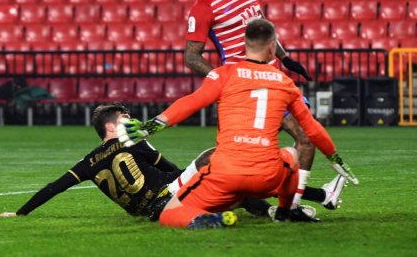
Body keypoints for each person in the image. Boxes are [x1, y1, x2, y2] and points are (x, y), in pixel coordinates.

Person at [124, 19, 357, 229]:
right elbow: (312, 129)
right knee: (292, 156)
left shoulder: (224, 74)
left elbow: (191, 102)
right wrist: (334, 158)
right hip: (266, 177)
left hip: (226, 174)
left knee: (169, 213)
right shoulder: (286, 83)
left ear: (245, 45)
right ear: (272, 47)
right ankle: (286, 212)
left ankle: (206, 220)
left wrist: (151, 126)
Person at [0, 102, 344, 221]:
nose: (130, 119)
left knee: (223, 179)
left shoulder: (89, 161)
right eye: (125, 116)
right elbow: (172, 170)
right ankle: (303, 201)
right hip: (167, 195)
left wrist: (21, 212)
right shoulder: (135, 143)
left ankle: (287, 207)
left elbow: (55, 187)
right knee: (218, 160)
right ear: (112, 125)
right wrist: (198, 175)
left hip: (147, 210)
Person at [183, 0, 324, 211]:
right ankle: (182, 184)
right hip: (245, 91)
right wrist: (222, 78)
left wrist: (285, 58)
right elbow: (191, 57)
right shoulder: (203, 6)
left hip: (274, 80)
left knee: (306, 137)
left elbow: (263, 28)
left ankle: (290, 207)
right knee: (234, 155)